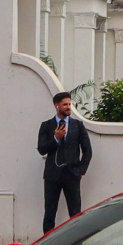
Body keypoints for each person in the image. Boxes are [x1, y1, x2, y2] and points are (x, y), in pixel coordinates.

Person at [36, 91, 91, 231]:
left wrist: (80, 171)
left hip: (72, 175)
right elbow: (42, 149)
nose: (68, 107)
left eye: (69, 104)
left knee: (75, 214)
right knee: (49, 213)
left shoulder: (78, 125)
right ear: (57, 105)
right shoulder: (46, 125)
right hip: (52, 175)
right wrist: (55, 139)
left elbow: (87, 151)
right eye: (65, 104)